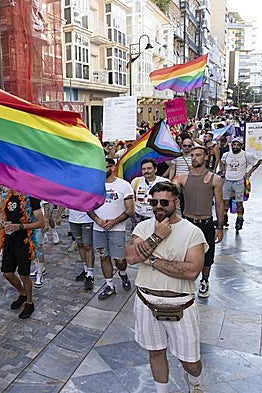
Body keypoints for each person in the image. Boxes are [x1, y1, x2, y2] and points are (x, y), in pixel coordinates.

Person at [125, 181, 208, 393]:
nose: (158, 206)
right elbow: (132, 257)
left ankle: (194, 382)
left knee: (191, 362)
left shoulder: (193, 232)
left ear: (176, 202)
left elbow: (191, 271)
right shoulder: (143, 227)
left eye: (164, 202)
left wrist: (152, 260)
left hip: (181, 305)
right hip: (146, 301)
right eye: (154, 202)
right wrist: (157, 236)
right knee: (156, 352)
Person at [176, 146, 223, 298]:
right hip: (187, 223)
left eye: (198, 155)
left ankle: (204, 280)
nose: (194, 158)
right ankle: (185, 280)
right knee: (184, 253)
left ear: (205, 158)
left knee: (208, 255)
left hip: (206, 223)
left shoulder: (215, 179)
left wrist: (220, 227)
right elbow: (172, 192)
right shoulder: (183, 178)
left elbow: (220, 204)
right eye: (192, 155)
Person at [88, 158, 135, 300]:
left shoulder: (124, 185)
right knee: (104, 256)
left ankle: (122, 272)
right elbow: (88, 206)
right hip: (99, 228)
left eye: (106, 167)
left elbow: (130, 209)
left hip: (117, 229)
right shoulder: (95, 185)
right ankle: (109, 285)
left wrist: (114, 222)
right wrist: (97, 220)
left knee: (119, 259)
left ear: (113, 167)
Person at [0, 189, 45, 319]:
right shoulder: (8, 196)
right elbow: (6, 216)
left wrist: (20, 227)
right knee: (7, 274)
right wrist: (2, 223)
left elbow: (41, 223)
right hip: (9, 241)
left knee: (24, 275)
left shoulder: (31, 198)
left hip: (24, 242)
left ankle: (29, 302)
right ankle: (22, 294)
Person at [220, 137, 262, 232]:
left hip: (239, 182)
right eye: (234, 145)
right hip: (227, 181)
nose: (235, 147)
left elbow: (257, 162)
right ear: (231, 145)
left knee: (239, 203)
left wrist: (249, 173)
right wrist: (223, 170)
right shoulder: (226, 155)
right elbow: (222, 161)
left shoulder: (246, 155)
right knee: (225, 202)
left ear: (241, 146)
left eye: (238, 145)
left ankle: (239, 220)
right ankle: (224, 219)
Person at [130, 158, 167, 227]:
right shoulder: (136, 181)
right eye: (143, 169)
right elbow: (132, 198)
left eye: (149, 168)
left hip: (155, 216)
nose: (146, 171)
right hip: (138, 216)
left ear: (155, 169)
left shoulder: (164, 182)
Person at [69, 209, 95, 290]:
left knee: (88, 246)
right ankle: (85, 270)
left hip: (87, 218)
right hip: (73, 218)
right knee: (80, 245)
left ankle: (90, 274)